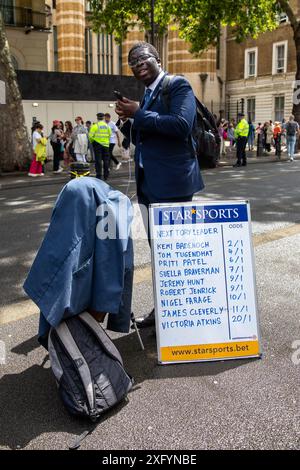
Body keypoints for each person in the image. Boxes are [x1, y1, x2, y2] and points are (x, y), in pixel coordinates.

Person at [115, 41, 204, 328]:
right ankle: (166, 310)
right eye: (133, 63)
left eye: (143, 59)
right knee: (162, 255)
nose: (138, 65)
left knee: (176, 253)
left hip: (174, 187)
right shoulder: (148, 95)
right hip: (150, 186)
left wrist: (139, 112)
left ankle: (183, 313)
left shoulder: (177, 85)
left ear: (158, 59)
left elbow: (180, 125)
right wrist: (128, 123)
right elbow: (150, 136)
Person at [89, 112, 111, 180]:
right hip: (106, 145)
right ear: (103, 117)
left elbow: (90, 136)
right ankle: (106, 175)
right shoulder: (107, 126)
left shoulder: (95, 126)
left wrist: (93, 142)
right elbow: (109, 135)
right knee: (106, 160)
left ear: (97, 118)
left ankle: (99, 175)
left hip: (97, 144)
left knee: (98, 160)